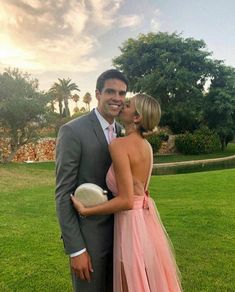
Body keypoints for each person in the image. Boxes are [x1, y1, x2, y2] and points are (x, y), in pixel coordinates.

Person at [71, 93, 183, 292]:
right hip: (147, 222)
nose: (122, 104)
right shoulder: (147, 146)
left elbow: (126, 200)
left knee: (129, 283)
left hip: (131, 225)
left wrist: (86, 210)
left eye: (128, 104)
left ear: (137, 117)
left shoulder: (119, 145)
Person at [55, 69, 128, 291]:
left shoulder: (123, 131)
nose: (117, 98)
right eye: (111, 91)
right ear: (97, 93)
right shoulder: (72, 131)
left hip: (123, 234)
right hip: (90, 239)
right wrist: (76, 249)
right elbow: (63, 193)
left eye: (122, 93)